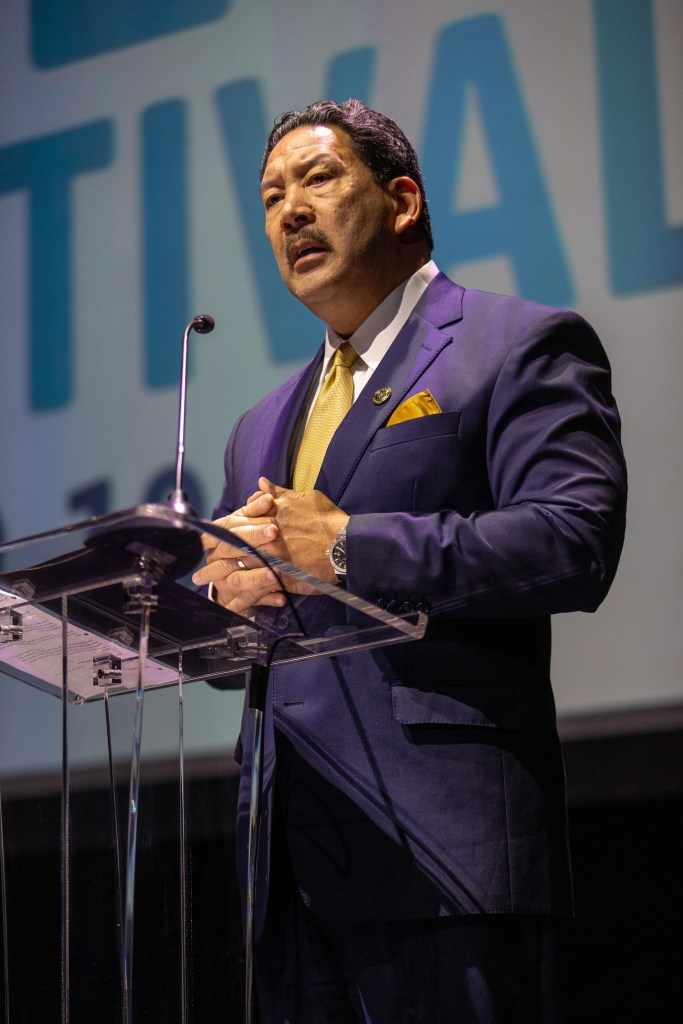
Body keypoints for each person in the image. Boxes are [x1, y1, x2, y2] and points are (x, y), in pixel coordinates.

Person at [192, 99, 627, 1023]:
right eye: (270, 196)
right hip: (290, 866)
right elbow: (277, 641)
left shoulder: (513, 345)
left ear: (399, 200)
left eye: (317, 179)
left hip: (448, 854)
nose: (289, 212)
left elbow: (573, 540)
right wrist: (226, 607)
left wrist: (346, 544)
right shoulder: (258, 426)